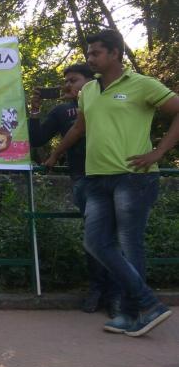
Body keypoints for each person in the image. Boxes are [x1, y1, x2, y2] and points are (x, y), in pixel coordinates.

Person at [45, 29, 179, 337]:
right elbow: (79, 128)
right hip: (96, 178)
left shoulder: (142, 84)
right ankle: (148, 306)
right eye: (89, 53)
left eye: (96, 53)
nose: (90, 58)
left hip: (134, 177)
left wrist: (159, 151)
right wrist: (55, 153)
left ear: (115, 53)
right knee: (95, 242)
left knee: (130, 245)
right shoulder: (88, 91)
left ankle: (132, 313)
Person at [29, 63, 119, 317]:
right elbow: (37, 140)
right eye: (66, 81)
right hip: (83, 178)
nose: (68, 85)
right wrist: (34, 111)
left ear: (90, 81)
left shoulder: (109, 100)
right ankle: (98, 289)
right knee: (94, 236)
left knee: (115, 236)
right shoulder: (61, 111)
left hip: (116, 174)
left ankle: (116, 294)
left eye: (74, 80)